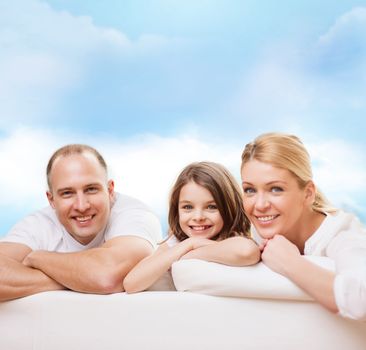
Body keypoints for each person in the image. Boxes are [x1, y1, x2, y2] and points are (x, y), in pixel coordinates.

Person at [0, 144, 162, 301]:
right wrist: (78, 280)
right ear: (51, 200)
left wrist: (38, 258)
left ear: (110, 190)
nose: (82, 205)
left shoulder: (136, 215)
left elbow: (107, 276)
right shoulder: (38, 224)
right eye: (67, 193)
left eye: (91, 189)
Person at [240, 132, 366, 321]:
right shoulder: (256, 229)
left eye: (275, 189)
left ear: (308, 193)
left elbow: (361, 298)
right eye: (250, 190)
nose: (259, 205)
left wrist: (290, 263)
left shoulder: (342, 234)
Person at [123, 161, 260, 293]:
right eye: (188, 207)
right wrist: (189, 243)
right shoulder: (176, 242)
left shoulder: (233, 238)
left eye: (211, 207)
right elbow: (131, 283)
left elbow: (247, 252)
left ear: (229, 206)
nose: (198, 217)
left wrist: (191, 251)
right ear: (177, 210)